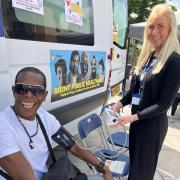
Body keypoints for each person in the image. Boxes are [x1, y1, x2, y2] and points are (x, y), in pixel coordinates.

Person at [0, 67, 113, 180]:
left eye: (37, 91)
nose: (29, 95)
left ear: (44, 95)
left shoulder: (45, 118)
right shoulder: (3, 125)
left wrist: (104, 168)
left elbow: (74, 147)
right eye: (22, 89)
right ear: (14, 91)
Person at [111, 4, 180, 180]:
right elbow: (136, 90)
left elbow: (163, 104)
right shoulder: (149, 56)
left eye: (160, 26)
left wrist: (133, 117)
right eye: (151, 26)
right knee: (136, 168)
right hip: (138, 122)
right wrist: (119, 104)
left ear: (171, 28)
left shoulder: (174, 61)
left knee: (141, 174)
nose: (154, 31)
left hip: (151, 126)